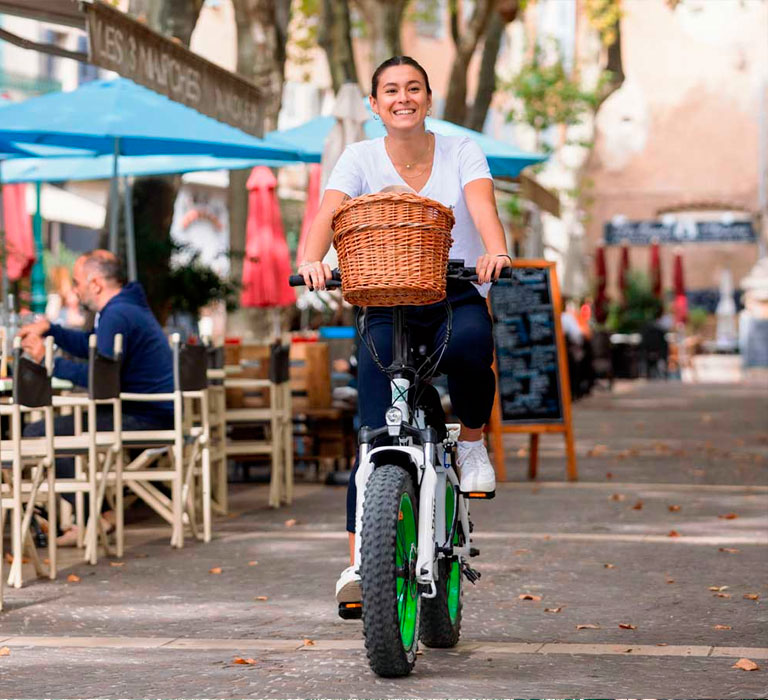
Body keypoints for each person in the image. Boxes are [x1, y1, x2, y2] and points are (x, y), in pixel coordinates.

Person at [297, 56, 512, 602]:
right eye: (390, 90)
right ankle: (357, 567)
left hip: (452, 288)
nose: (402, 97)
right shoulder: (359, 155)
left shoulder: (461, 150)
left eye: (413, 87)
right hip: (384, 297)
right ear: (374, 105)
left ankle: (471, 441)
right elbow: (327, 214)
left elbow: (482, 204)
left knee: (470, 345)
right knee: (371, 433)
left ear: (428, 99)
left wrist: (496, 250)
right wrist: (312, 260)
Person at [19, 250, 174, 545]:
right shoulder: (124, 308)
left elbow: (101, 378)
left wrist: (46, 361)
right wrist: (52, 330)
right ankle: (98, 515)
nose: (75, 291)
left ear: (95, 283)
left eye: (77, 283)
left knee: (39, 433)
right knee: (56, 430)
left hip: (144, 416)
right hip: (152, 411)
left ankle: (95, 517)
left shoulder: (117, 313)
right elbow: (91, 345)